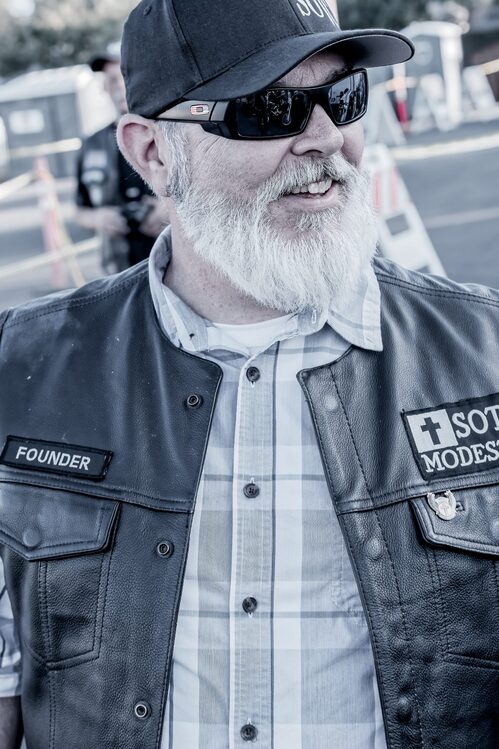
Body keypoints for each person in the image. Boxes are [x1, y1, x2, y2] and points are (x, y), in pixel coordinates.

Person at [0, 1, 498, 747]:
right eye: (270, 108)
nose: (325, 138)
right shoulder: (20, 370)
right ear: (152, 152)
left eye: (344, 96)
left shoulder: (486, 355)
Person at [75, 45, 168, 273]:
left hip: (175, 267)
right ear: (104, 88)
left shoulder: (172, 133)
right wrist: (98, 218)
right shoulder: (92, 145)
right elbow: (80, 210)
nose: (118, 85)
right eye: (111, 80)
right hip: (118, 271)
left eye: (124, 76)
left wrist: (169, 210)